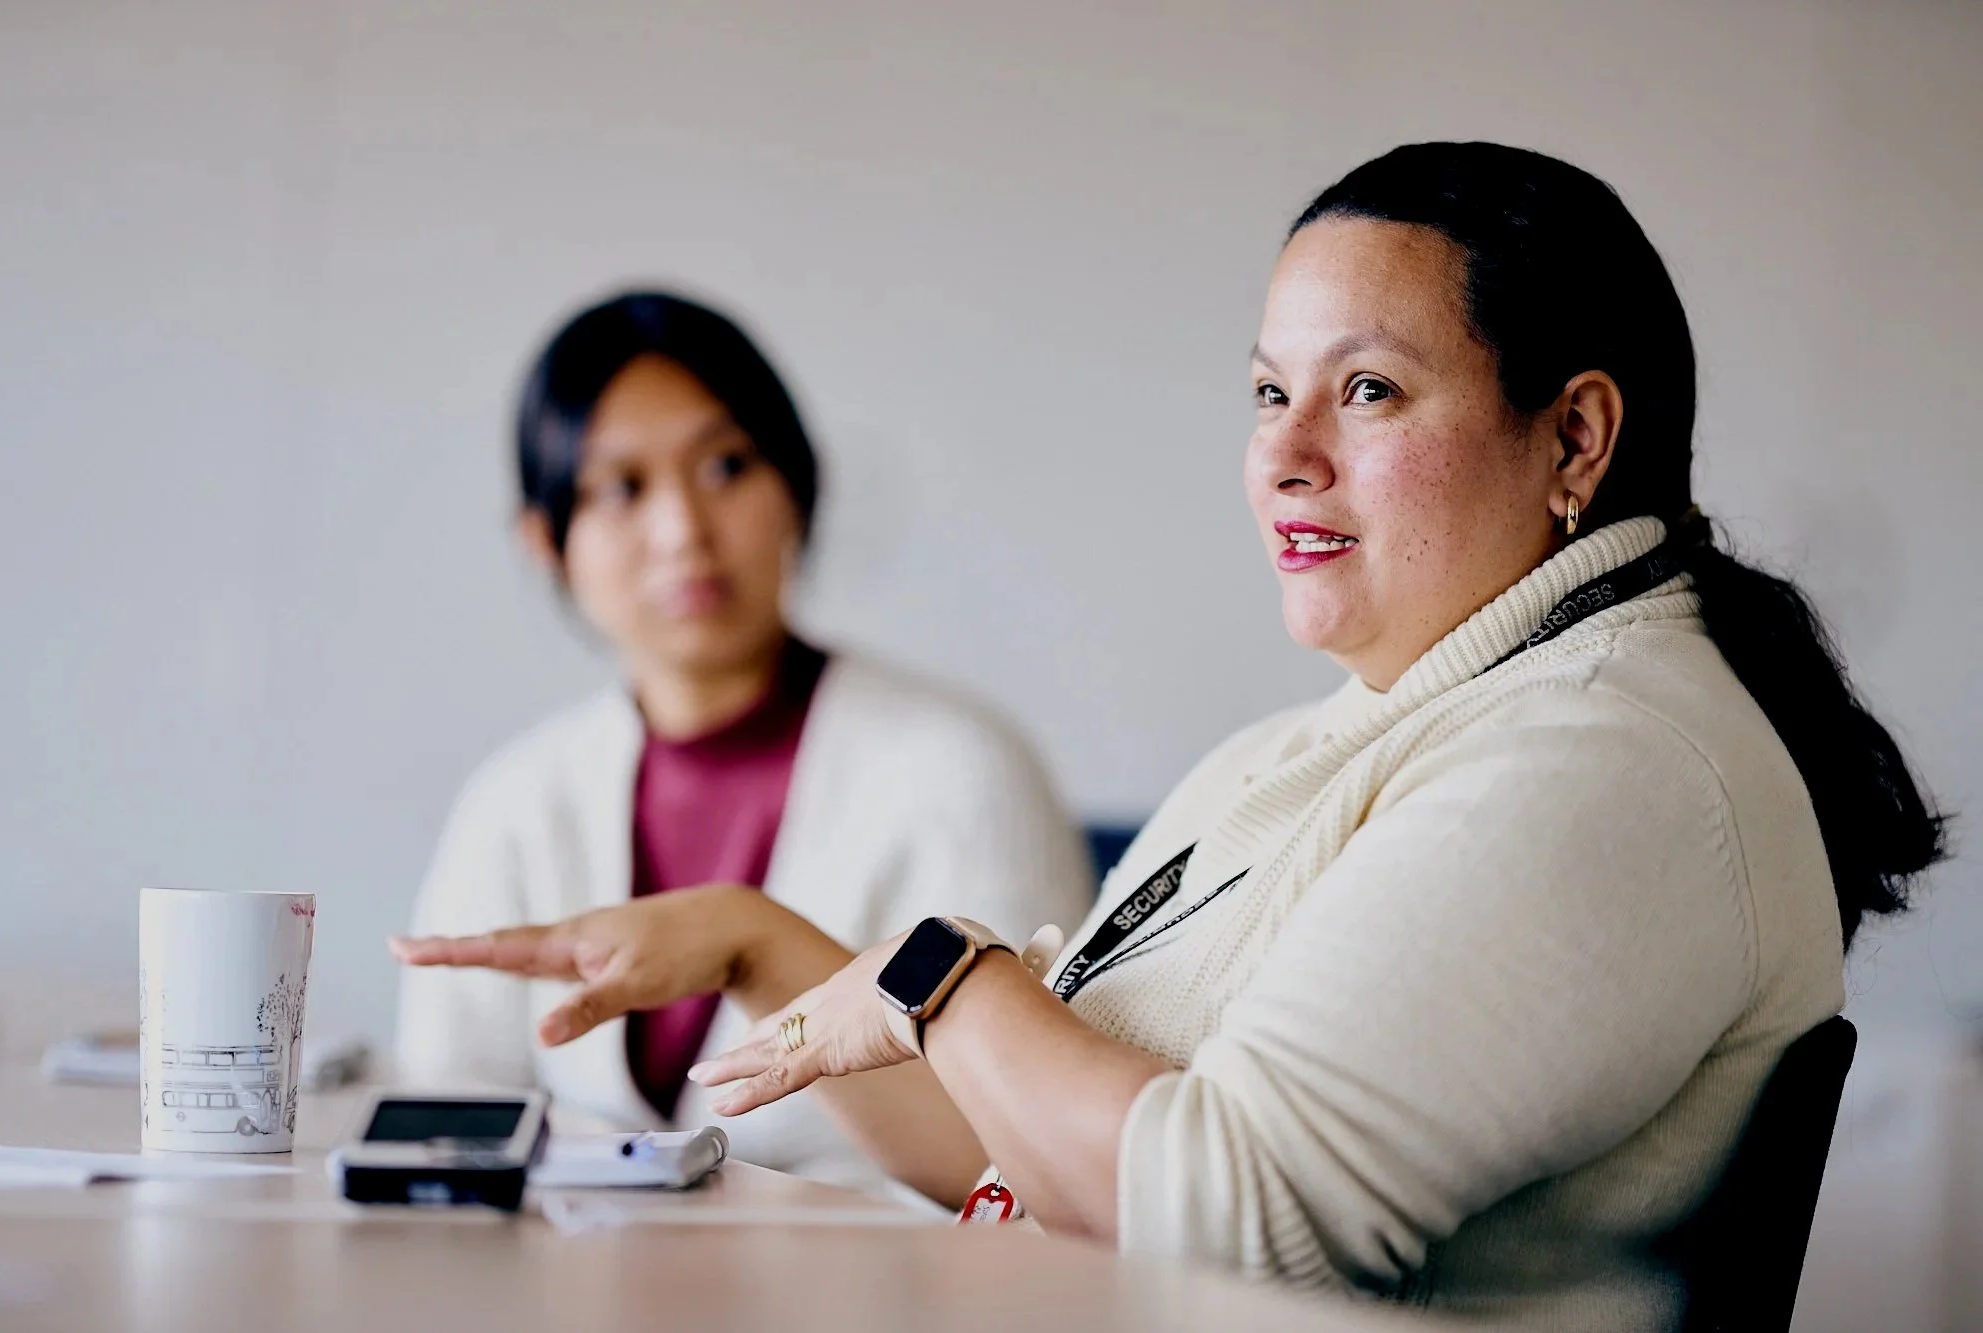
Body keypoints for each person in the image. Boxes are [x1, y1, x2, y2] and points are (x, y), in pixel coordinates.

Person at [393, 147, 1947, 1327]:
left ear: (1575, 437)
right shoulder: (1362, 737)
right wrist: (764, 942)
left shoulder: (1607, 761)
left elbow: (1225, 1216)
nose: (1283, 452)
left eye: (1369, 391)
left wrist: (945, 979)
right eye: (1270, 390)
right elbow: (1043, 1143)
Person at [392, 291, 1093, 1196]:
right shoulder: (517, 798)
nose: (684, 532)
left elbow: (1033, 1154)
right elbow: (444, 1118)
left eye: (726, 465)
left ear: (796, 486)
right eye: (622, 488)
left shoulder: (961, 770)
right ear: (545, 540)